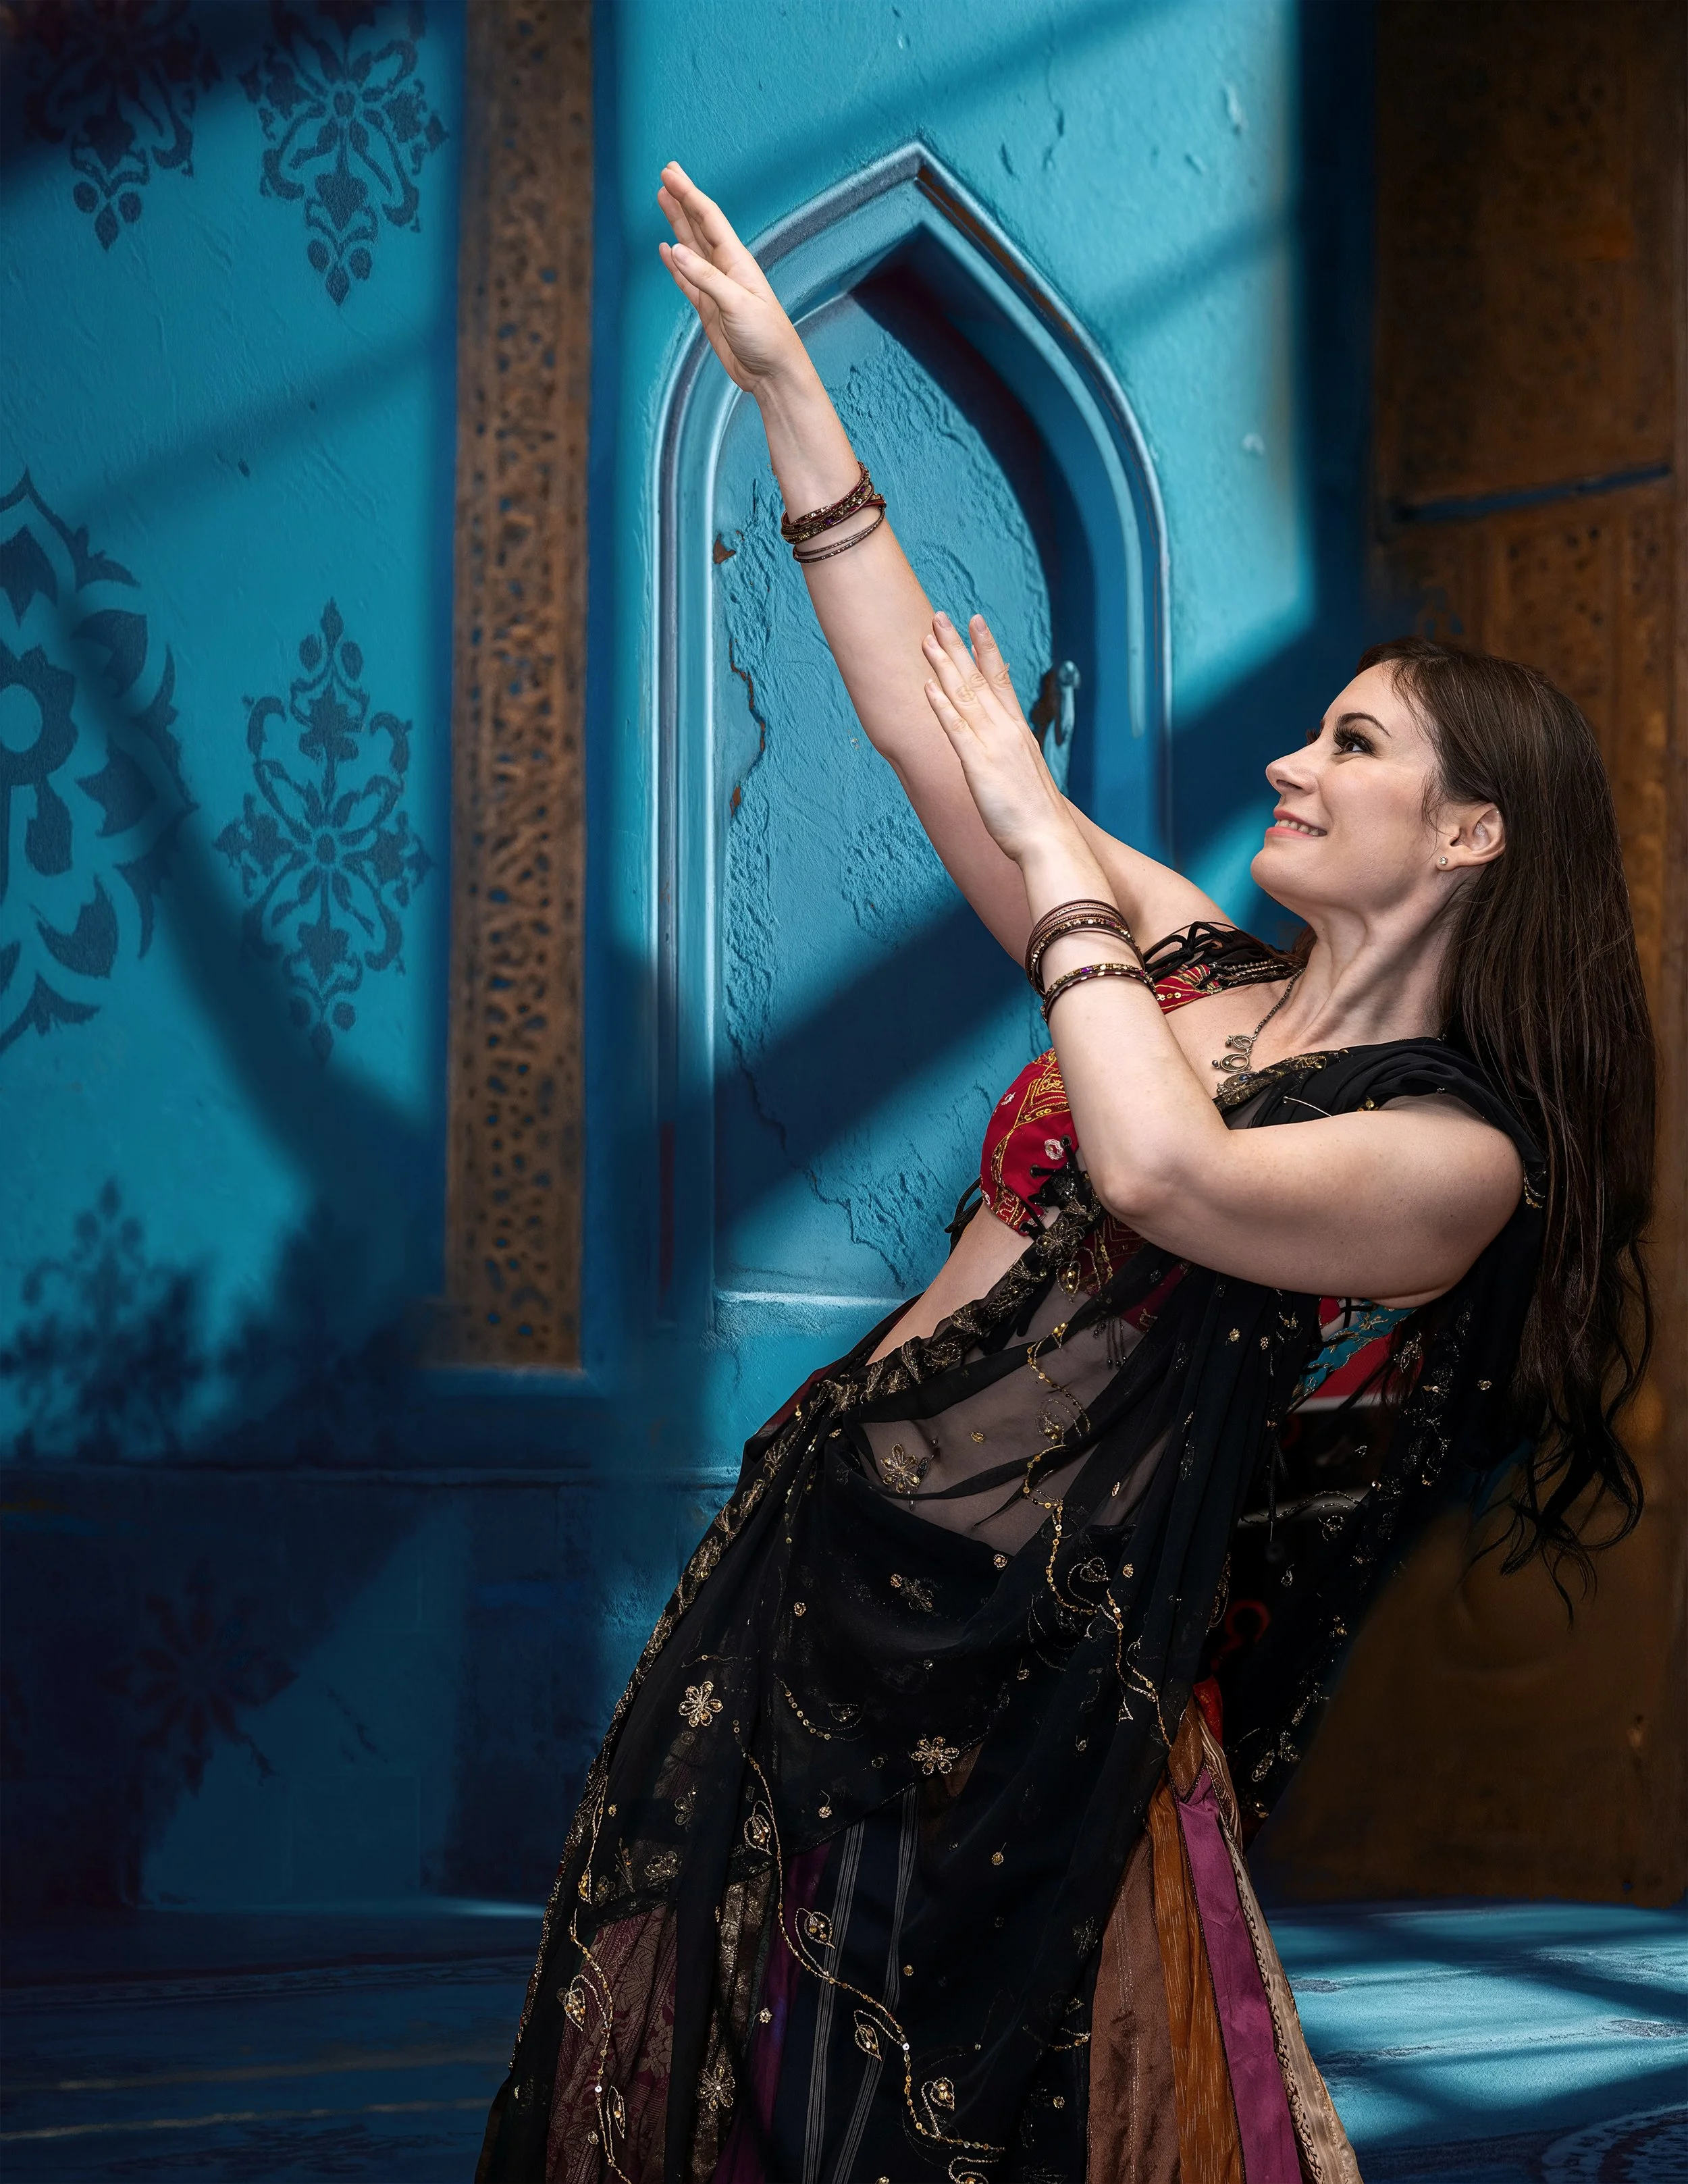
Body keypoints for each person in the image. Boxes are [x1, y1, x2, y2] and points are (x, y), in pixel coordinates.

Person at [477, 164, 1655, 2184]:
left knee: (966, 2113)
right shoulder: (1186, 955)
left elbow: (1160, 1166)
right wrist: (788, 396)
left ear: (1468, 837)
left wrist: (1052, 860)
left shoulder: (1454, 1158)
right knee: (722, 2087)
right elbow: (928, 736)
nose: (1293, 764)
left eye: (1354, 747)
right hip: (831, 1552)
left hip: (1046, 1670)